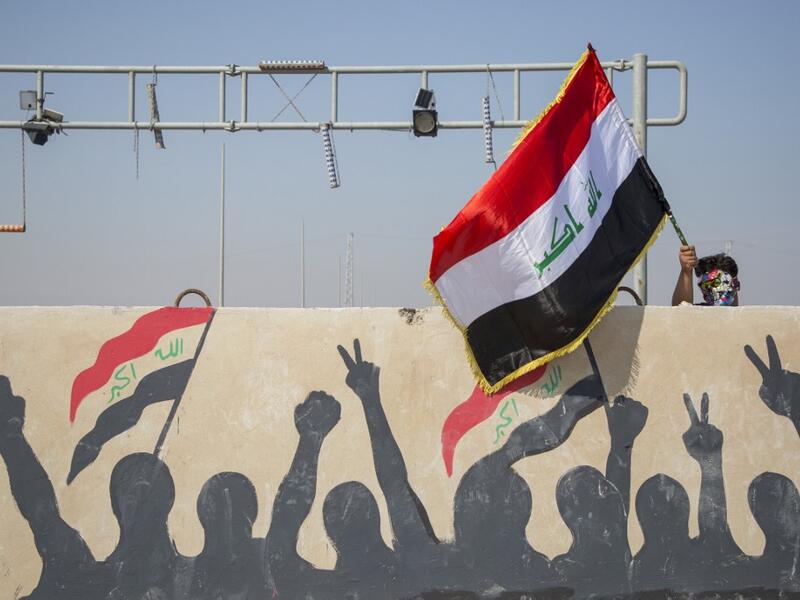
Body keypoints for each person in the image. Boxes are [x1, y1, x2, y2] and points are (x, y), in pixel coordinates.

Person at [671, 246, 740, 306]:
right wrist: (686, 271)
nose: (712, 290)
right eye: (706, 286)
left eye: (716, 283)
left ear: (736, 284)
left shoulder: (748, 316)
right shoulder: (699, 314)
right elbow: (680, 308)